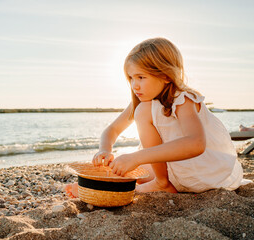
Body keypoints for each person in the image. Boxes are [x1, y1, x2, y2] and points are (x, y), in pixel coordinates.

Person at [66, 37, 246, 197]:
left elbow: (196, 143)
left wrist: (136, 157)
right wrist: (104, 150)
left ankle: (161, 183)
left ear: (166, 76)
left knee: (135, 155)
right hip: (176, 169)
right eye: (131, 78)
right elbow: (112, 130)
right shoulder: (142, 101)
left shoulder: (183, 99)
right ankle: (99, 188)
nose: (135, 85)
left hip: (200, 170)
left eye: (141, 77)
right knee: (122, 169)